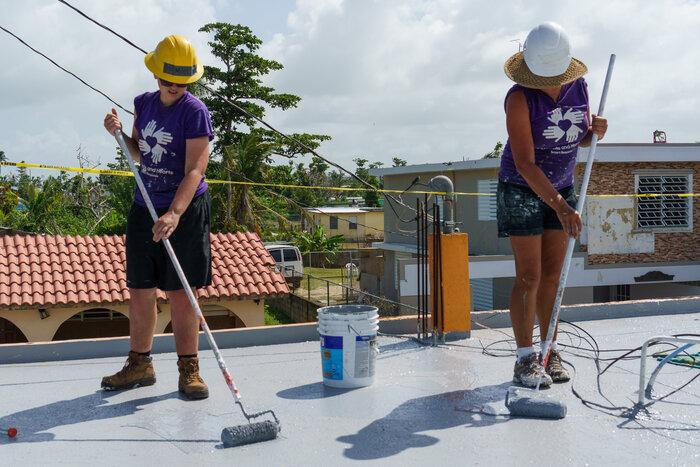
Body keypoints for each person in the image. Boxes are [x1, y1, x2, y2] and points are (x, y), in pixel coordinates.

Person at [101, 35, 214, 399]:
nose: (174, 87)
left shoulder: (195, 112)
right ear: (156, 74)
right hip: (144, 205)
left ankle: (189, 369)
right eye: (168, 80)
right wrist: (118, 134)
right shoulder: (143, 104)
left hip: (184, 209)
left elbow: (195, 169)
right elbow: (139, 154)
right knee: (140, 290)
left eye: (181, 82)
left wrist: (174, 213)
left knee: (182, 293)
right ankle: (140, 364)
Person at [498, 23, 608, 387]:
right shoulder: (518, 98)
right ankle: (525, 358)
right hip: (522, 188)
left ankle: (549, 349)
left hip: (561, 187)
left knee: (551, 276)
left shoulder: (580, 87)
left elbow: (581, 136)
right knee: (528, 276)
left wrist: (596, 132)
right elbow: (526, 163)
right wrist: (562, 206)